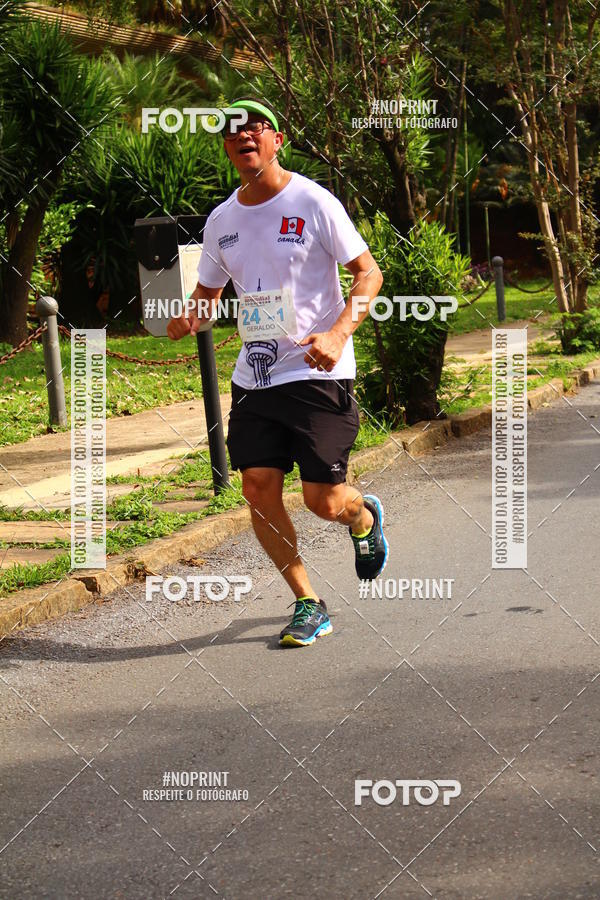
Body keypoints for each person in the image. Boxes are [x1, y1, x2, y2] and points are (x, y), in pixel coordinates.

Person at [167, 97, 388, 647]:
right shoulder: (221, 221)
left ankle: (362, 516)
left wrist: (338, 334)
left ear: (277, 140)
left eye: (256, 127)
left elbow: (369, 274)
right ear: (227, 148)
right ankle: (308, 602)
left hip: (319, 373)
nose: (245, 136)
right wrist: (189, 315)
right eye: (234, 131)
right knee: (257, 486)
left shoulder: (313, 201)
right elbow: (208, 294)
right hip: (256, 377)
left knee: (323, 501)